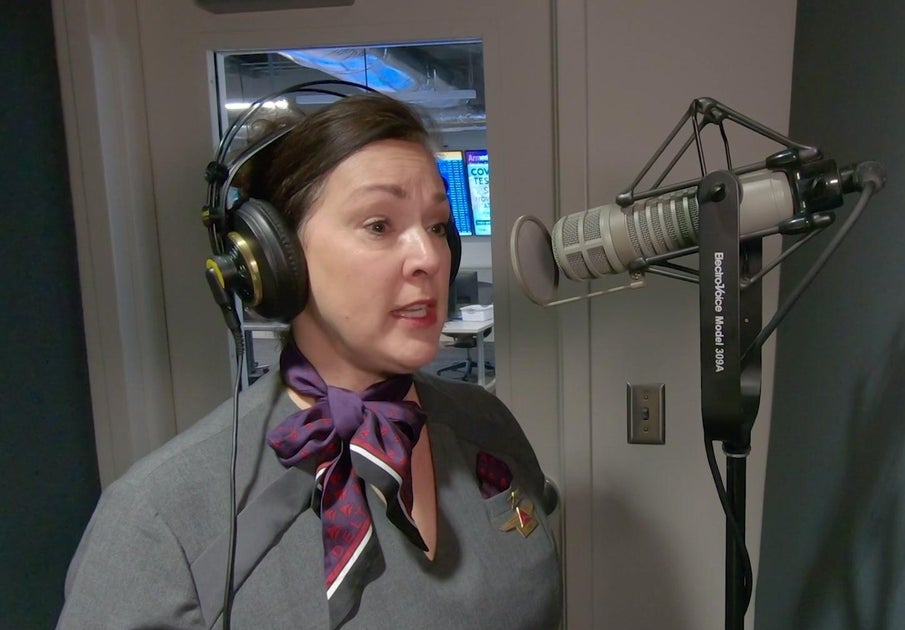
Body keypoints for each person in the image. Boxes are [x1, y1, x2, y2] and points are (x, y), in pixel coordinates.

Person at [58, 93, 562, 629]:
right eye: (379, 225)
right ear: (276, 261)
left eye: (437, 226)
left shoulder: (487, 422)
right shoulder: (158, 522)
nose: (429, 258)